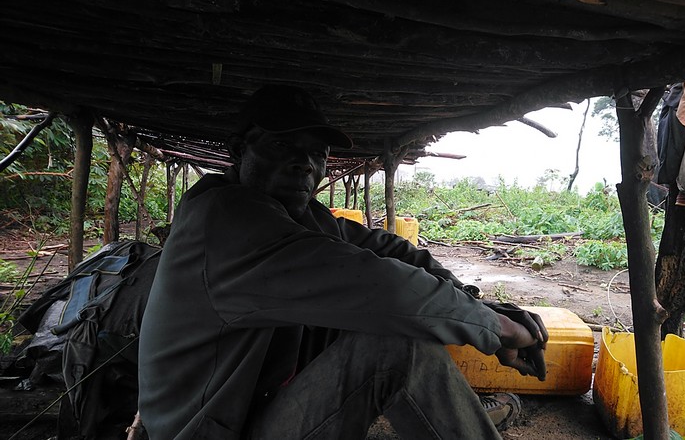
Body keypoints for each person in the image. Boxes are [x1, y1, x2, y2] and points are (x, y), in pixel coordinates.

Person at [138, 84, 548, 440]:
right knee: (398, 347)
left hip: (254, 409)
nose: (304, 163)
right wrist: (498, 328)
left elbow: (390, 250)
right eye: (283, 145)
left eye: (316, 152)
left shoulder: (302, 217)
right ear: (239, 149)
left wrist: (474, 301)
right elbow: (382, 285)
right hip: (209, 431)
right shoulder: (227, 220)